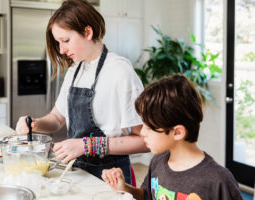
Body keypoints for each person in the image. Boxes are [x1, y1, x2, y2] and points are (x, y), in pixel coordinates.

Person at [15, 0, 149, 184]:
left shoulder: (120, 72)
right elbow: (56, 119)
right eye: (58, 43)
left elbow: (145, 141)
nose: (61, 50)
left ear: (87, 32)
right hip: (77, 172)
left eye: (66, 41)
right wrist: (35, 123)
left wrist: (87, 145)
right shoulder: (75, 70)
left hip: (110, 177)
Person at [102, 75, 243, 200]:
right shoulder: (158, 161)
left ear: (177, 132)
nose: (142, 132)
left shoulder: (218, 180)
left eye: (150, 127)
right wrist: (123, 187)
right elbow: (145, 195)